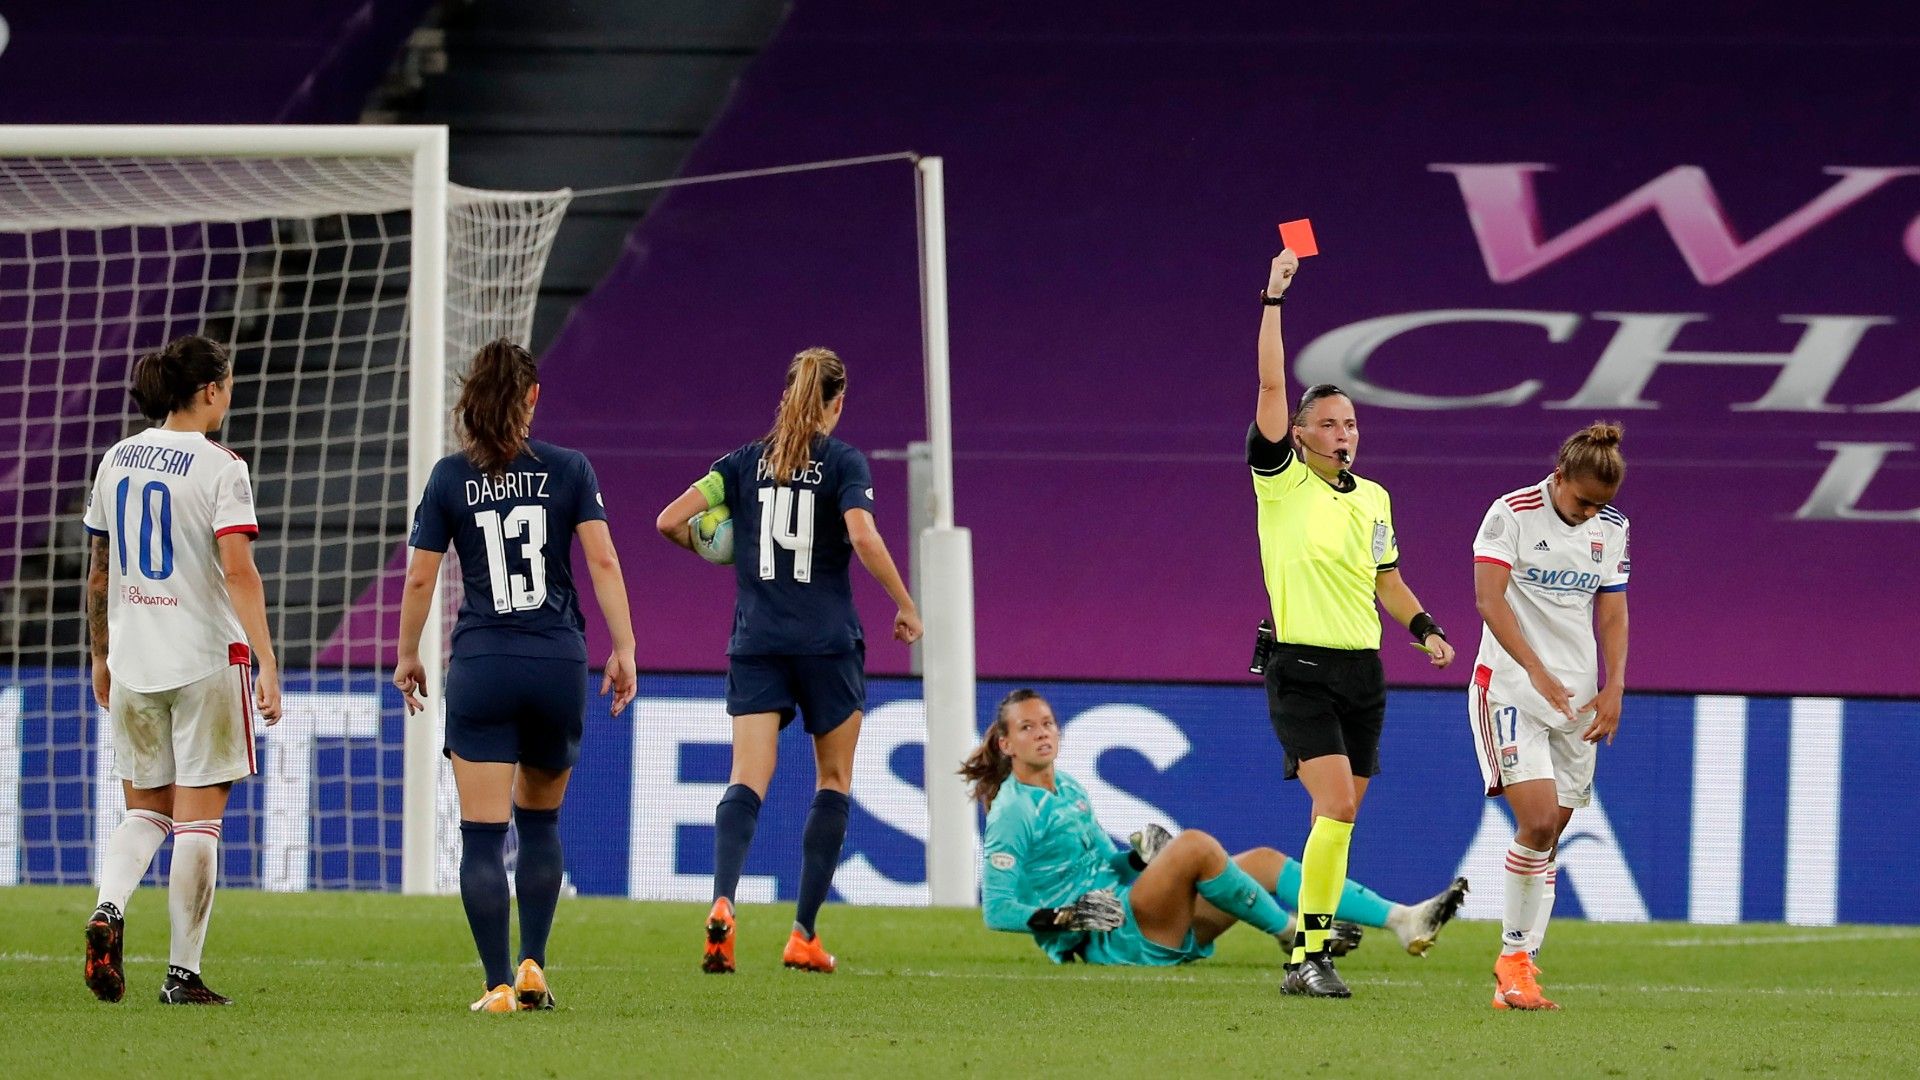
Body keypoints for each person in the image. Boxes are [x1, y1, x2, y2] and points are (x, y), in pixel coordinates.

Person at [655, 347, 921, 975]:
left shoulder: (742, 464)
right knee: (832, 781)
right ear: (837, 402)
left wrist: (720, 547)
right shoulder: (843, 463)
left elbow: (669, 521)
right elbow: (862, 535)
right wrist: (906, 604)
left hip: (758, 642)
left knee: (746, 779)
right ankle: (802, 933)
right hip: (828, 644)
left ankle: (723, 900)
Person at [394, 339, 638, 1013]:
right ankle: (534, 964)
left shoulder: (449, 477)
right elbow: (606, 564)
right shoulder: (569, 469)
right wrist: (625, 647)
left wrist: (407, 652)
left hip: (484, 664)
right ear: (531, 397)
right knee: (539, 825)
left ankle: (498, 983)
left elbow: (420, 574)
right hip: (557, 660)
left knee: (481, 834)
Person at [1248, 249, 1458, 997]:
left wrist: (1424, 627)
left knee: (1335, 824)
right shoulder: (1280, 480)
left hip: (1363, 672)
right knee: (1334, 805)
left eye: (1352, 422)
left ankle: (1309, 950)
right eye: (1330, 423)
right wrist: (1273, 299)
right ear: (1300, 434)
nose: (1345, 433)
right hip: (1300, 667)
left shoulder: (1374, 497)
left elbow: (1386, 580)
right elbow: (1273, 381)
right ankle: (1309, 958)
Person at [965, 690, 1468, 967]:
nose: (1042, 733)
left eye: (1047, 722)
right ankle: (1292, 933)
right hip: (1108, 939)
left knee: (1266, 862)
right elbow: (999, 910)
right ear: (1006, 745)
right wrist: (1067, 918)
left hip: (1134, 909)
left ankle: (1404, 920)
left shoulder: (1069, 788)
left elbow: (1105, 865)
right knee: (1196, 846)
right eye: (1027, 727)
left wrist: (1139, 860)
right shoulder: (1011, 811)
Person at [81, 334, 283, 1006]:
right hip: (202, 658)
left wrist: (101, 654)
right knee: (198, 823)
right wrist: (267, 659)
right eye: (227, 384)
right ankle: (182, 975)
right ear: (210, 390)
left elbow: (100, 571)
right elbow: (238, 570)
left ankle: (108, 910)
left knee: (144, 812)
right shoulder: (222, 466)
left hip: (136, 657)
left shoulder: (117, 460)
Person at [1468, 423, 1630, 1011]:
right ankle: (1512, 955)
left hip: (1577, 700)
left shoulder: (1613, 530)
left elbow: (1612, 612)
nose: (1591, 513)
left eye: (1602, 504)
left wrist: (1614, 684)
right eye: (1584, 500)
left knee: (1550, 835)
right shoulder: (1511, 514)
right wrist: (1534, 669)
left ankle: (1520, 974)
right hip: (1510, 688)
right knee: (1536, 822)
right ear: (1559, 478)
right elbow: (1489, 599)